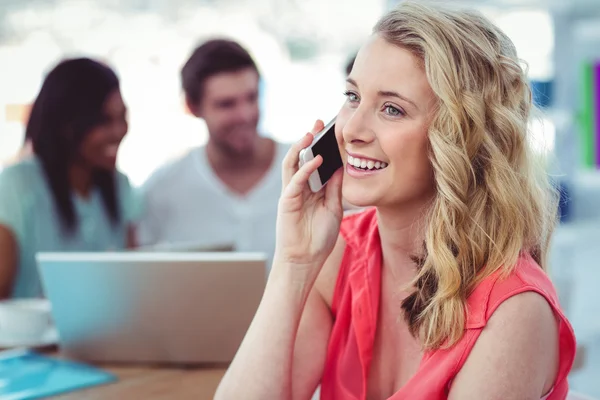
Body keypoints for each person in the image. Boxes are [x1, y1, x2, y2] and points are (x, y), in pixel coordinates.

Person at [215, 2, 576, 400]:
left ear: (460, 138)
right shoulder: (339, 256)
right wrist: (293, 263)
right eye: (352, 96)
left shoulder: (513, 313)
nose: (351, 129)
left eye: (391, 109)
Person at [138, 39, 288, 264]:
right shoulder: (163, 189)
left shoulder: (306, 168)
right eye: (226, 104)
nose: (245, 115)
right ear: (192, 106)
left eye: (252, 98)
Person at [0, 58, 139, 299]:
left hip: (106, 333)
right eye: (103, 121)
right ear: (65, 125)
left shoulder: (120, 187)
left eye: (122, 117)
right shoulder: (16, 185)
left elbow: (135, 283)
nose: (118, 131)